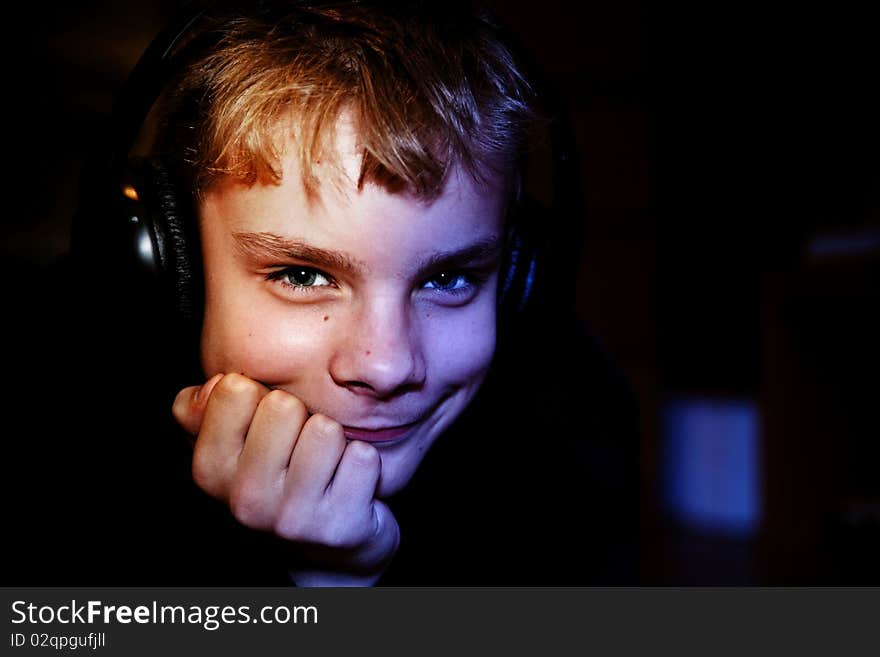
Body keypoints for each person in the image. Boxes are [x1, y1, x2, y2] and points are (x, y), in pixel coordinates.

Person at [6, 0, 639, 586]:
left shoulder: (577, 446)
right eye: (303, 275)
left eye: (448, 278)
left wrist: (335, 582)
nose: (387, 366)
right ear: (174, 268)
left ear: (519, 278)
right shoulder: (47, 444)